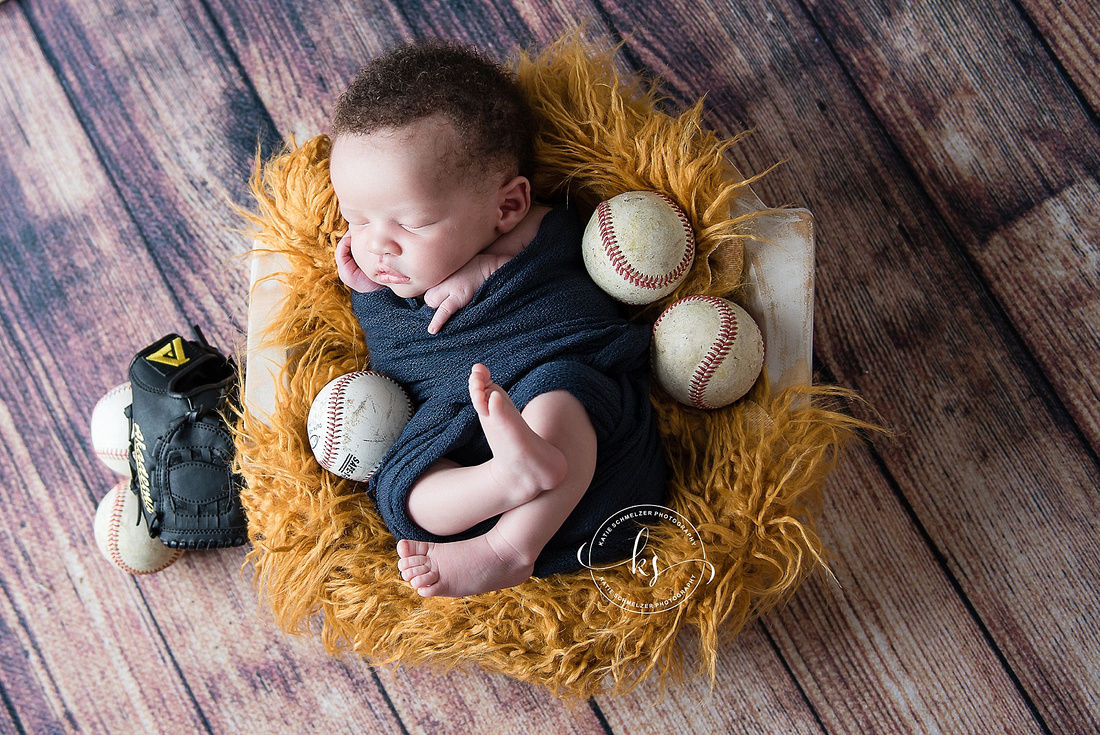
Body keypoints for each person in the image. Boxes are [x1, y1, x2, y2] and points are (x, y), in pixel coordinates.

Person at [329, 39, 667, 597]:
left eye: (410, 224)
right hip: (458, 444)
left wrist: (489, 269)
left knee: (563, 390)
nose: (376, 246)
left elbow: (560, 255)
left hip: (592, 478)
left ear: (505, 207)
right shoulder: (379, 272)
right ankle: (502, 480)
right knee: (403, 486)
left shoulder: (533, 231)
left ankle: (511, 547)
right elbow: (397, 356)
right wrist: (366, 288)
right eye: (356, 219)